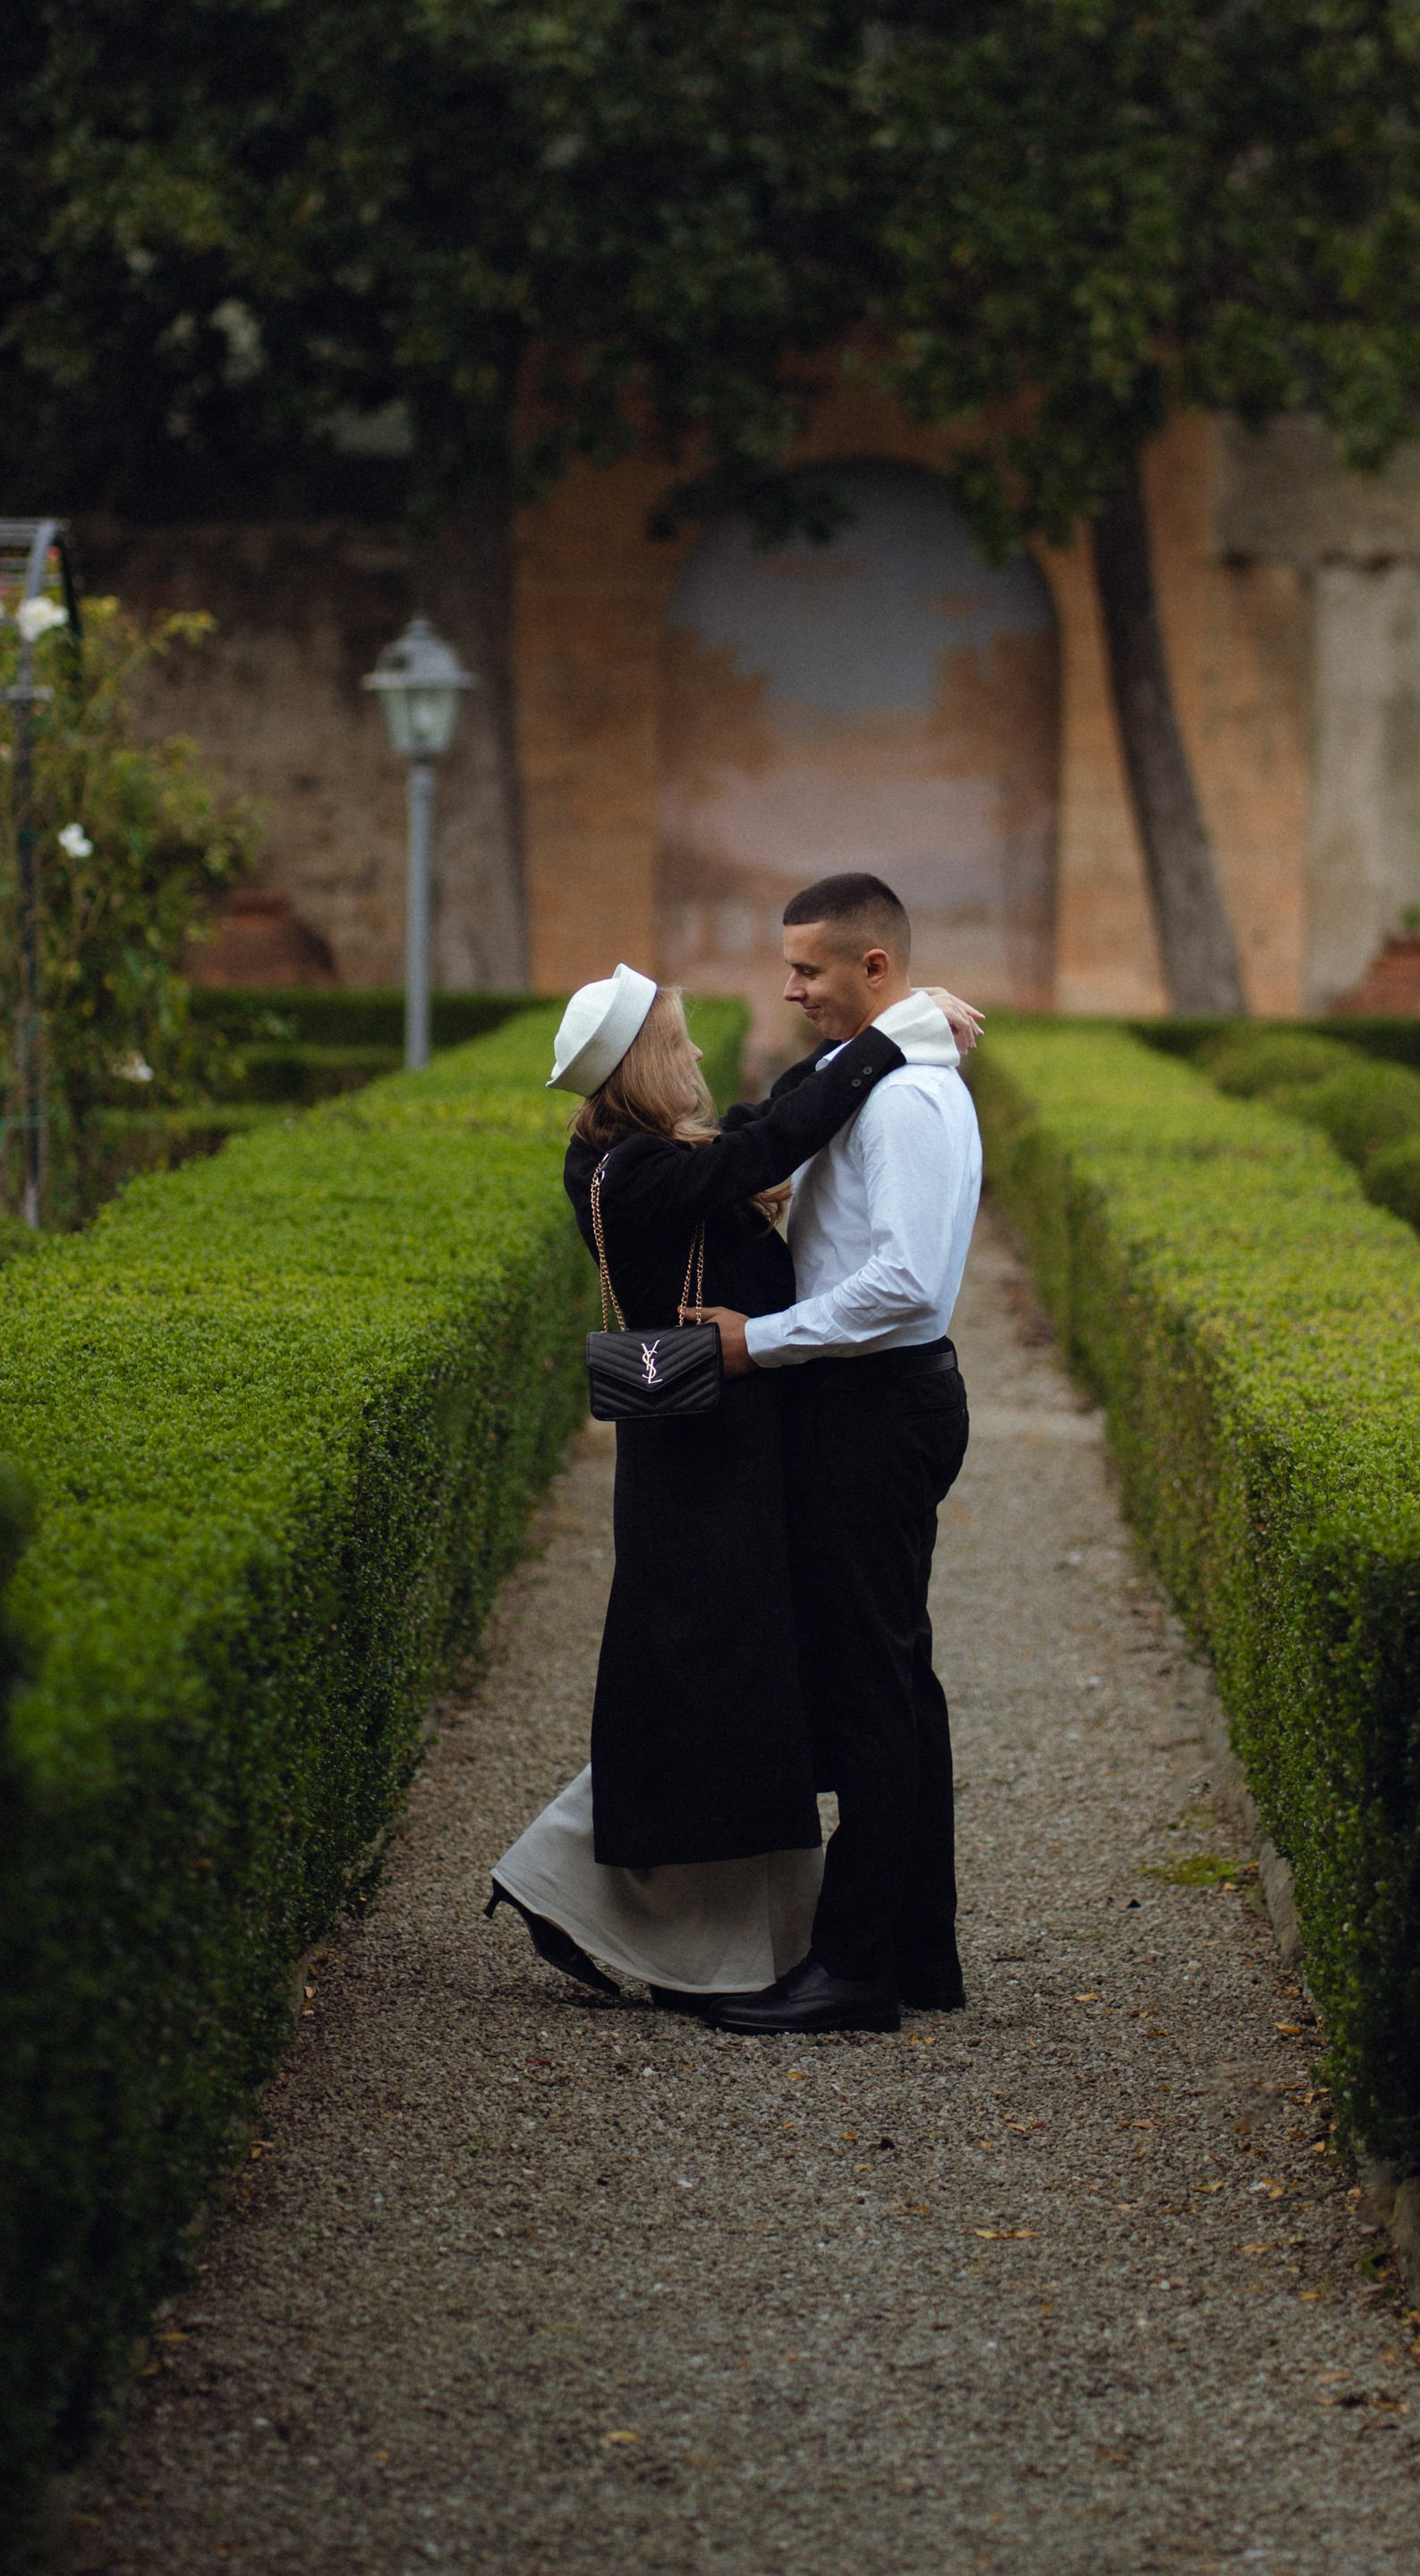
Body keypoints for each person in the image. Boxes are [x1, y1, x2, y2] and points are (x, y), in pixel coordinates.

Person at [488, 963, 969, 2003]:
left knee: (729, 1695)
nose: (700, 1054)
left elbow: (764, 1114)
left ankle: (679, 1919)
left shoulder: (648, 1156)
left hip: (730, 1446)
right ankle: (565, 1884)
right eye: (681, 1038)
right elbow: (764, 1143)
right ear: (643, 1063)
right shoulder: (634, 1172)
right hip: (701, 1464)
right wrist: (888, 1040)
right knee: (710, 1693)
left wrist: (871, 1035)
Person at [686, 873, 984, 2038]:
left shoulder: (908, 1099)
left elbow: (906, 1283)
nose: (790, 986)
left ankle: (856, 1968)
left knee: (873, 1689)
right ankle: (914, 1950)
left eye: (810, 968)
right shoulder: (884, 1075)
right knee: (896, 1680)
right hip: (872, 1401)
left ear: (876, 968)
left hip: (878, 1405)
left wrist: (758, 1342)